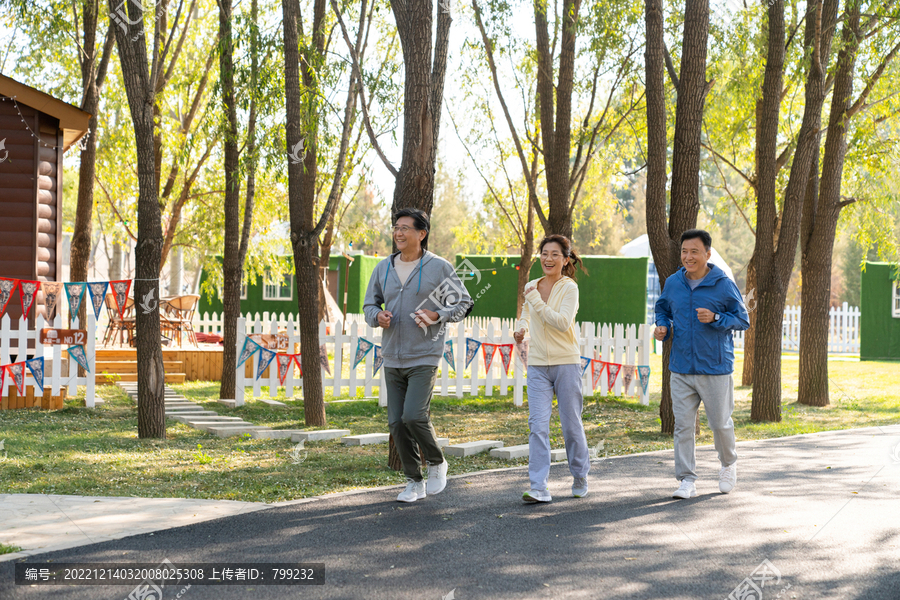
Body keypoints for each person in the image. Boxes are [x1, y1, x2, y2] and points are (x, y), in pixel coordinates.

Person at [363, 208, 473, 503]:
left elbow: (464, 302)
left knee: (413, 415)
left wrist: (438, 314)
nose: (398, 233)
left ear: (421, 234)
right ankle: (414, 481)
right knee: (396, 423)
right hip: (392, 356)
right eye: (396, 228)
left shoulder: (438, 267)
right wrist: (378, 317)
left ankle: (437, 461)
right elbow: (368, 305)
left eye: (405, 228)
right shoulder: (383, 268)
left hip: (424, 354)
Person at [654, 229, 749, 499]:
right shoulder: (674, 282)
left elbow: (742, 320)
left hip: (715, 368)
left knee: (720, 423)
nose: (688, 256)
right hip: (681, 368)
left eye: (694, 251)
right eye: (684, 251)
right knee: (683, 427)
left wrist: (717, 317)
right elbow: (663, 308)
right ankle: (686, 480)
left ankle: (728, 464)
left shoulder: (723, 283)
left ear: (708, 254)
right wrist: (663, 327)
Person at [514, 235, 590, 503]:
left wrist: (534, 301)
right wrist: (521, 328)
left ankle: (580, 474)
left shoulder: (569, 288)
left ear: (565, 259)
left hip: (566, 362)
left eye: (555, 254)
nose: (548, 258)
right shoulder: (532, 285)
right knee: (537, 425)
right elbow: (527, 313)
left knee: (571, 424)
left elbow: (561, 322)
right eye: (544, 253)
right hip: (536, 364)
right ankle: (538, 486)